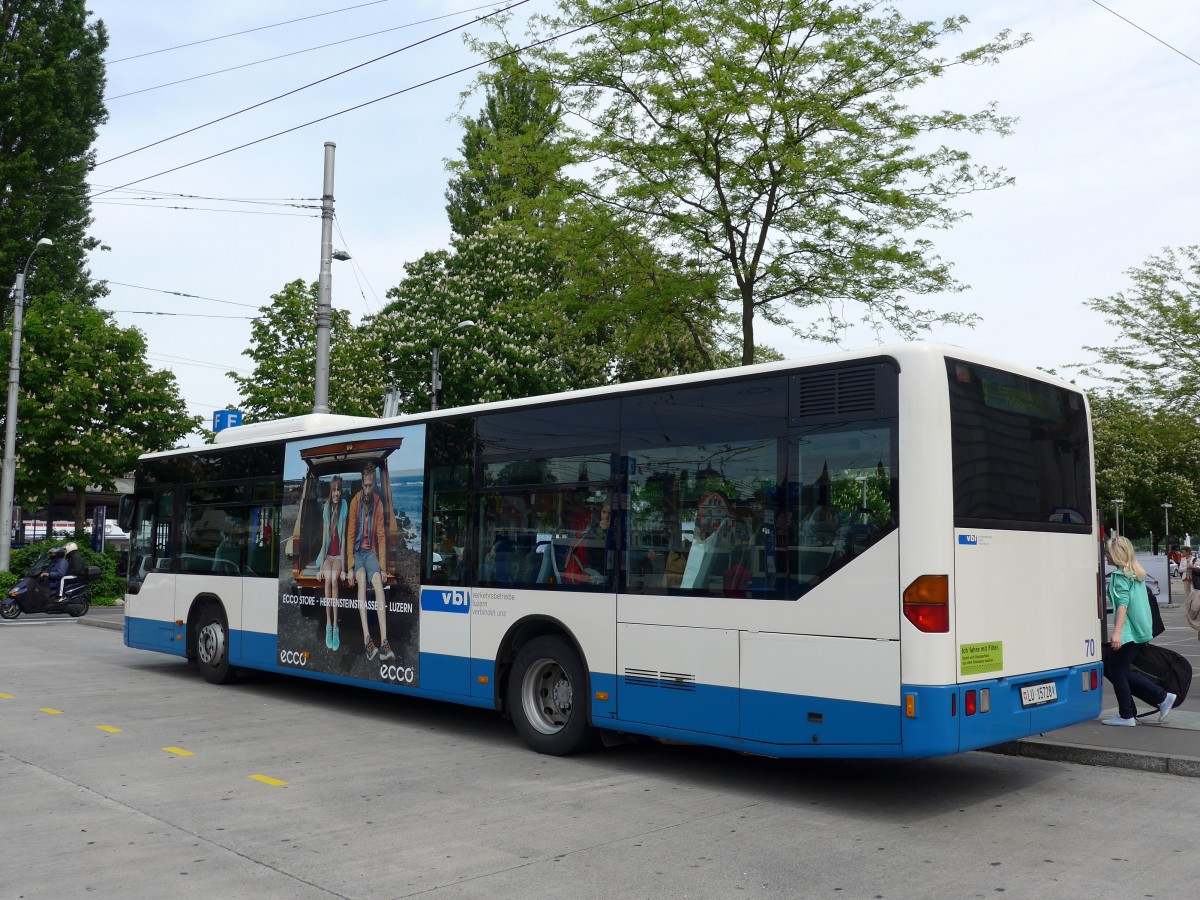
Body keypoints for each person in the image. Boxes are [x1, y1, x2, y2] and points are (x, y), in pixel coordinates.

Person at [1102, 536, 1176, 726]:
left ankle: (1131, 713)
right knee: (1117, 669)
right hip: (1141, 629)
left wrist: (1117, 632)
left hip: (1129, 632)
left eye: (1108, 552)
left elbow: (1122, 605)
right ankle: (1155, 700)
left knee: (1116, 670)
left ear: (1117, 554)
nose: (1106, 555)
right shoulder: (1136, 574)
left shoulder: (1120, 577)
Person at [345, 463, 393, 663]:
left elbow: (381, 536)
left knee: (378, 582)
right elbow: (350, 535)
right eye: (365, 485)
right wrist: (350, 567)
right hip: (357, 553)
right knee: (362, 578)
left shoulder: (378, 504)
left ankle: (384, 642)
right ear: (362, 484)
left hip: (370, 552)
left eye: (370, 485)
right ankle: (367, 639)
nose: (367, 489)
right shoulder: (355, 503)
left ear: (374, 485)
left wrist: (382, 567)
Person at [315, 476, 348, 651]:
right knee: (327, 579)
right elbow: (323, 540)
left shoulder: (344, 506)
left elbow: (343, 538)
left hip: (338, 557)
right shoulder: (326, 508)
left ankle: (336, 626)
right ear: (331, 491)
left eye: (338, 490)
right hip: (327, 556)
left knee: (335, 579)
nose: (336, 493)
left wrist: (344, 567)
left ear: (341, 491)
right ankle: (328, 625)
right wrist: (321, 567)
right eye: (334, 490)